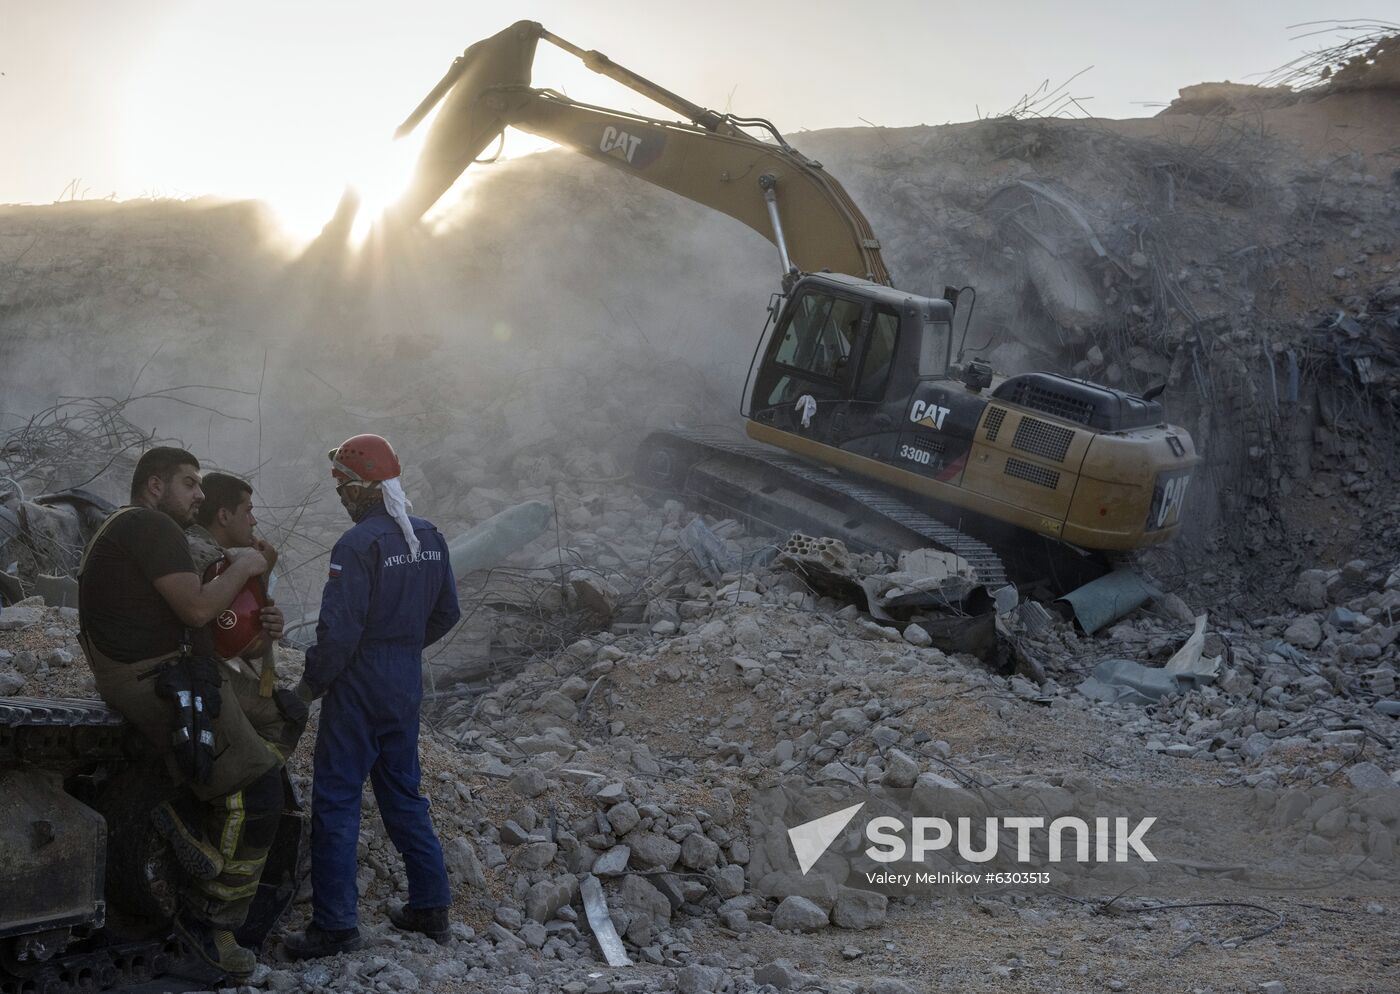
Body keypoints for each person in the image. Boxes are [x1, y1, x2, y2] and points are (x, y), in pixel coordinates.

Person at [77, 447, 283, 981]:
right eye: (189, 484)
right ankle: (211, 928)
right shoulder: (150, 526)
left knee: (280, 714)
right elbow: (196, 609)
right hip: (156, 680)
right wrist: (243, 564)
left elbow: (207, 621)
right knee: (260, 791)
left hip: (164, 670)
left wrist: (260, 625)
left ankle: (203, 802)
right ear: (154, 486)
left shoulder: (137, 529)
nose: (199, 494)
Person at [283, 434, 461, 959]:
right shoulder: (428, 535)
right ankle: (431, 906)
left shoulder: (357, 546)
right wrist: (403, 648)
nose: (339, 494)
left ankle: (335, 926)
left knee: (337, 800)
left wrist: (308, 687)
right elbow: (447, 611)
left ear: (363, 487)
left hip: (360, 683)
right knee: (404, 793)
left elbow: (338, 634)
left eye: (341, 484)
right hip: (404, 679)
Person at [186, 471, 307, 765]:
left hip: (208, 671)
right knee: (287, 714)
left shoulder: (225, 558)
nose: (253, 521)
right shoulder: (206, 558)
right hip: (197, 675)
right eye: (248, 511)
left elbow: (250, 642)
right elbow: (227, 637)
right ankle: (250, 776)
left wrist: (266, 610)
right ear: (225, 516)